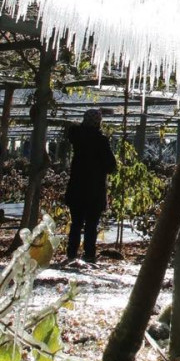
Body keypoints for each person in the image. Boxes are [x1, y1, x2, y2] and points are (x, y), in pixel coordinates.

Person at [64, 107, 117, 263]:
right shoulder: (100, 141)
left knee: (76, 223)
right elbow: (111, 165)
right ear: (98, 122)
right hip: (94, 189)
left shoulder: (76, 138)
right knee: (91, 225)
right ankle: (89, 254)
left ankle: (71, 253)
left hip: (76, 187)